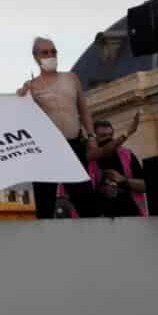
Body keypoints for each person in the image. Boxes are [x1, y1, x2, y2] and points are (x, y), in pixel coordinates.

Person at [19, 36, 96, 220]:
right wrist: (21, 97)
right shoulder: (31, 86)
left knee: (85, 199)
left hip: (74, 143)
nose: (50, 55)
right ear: (36, 57)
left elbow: (84, 110)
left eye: (53, 51)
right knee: (45, 203)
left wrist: (92, 137)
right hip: (47, 149)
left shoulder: (71, 78)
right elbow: (22, 115)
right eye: (45, 52)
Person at [85, 118, 148, 218]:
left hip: (132, 214)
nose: (108, 139)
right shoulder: (89, 158)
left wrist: (123, 180)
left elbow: (145, 185)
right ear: (94, 138)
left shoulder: (127, 155)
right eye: (103, 136)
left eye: (110, 135)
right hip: (100, 218)